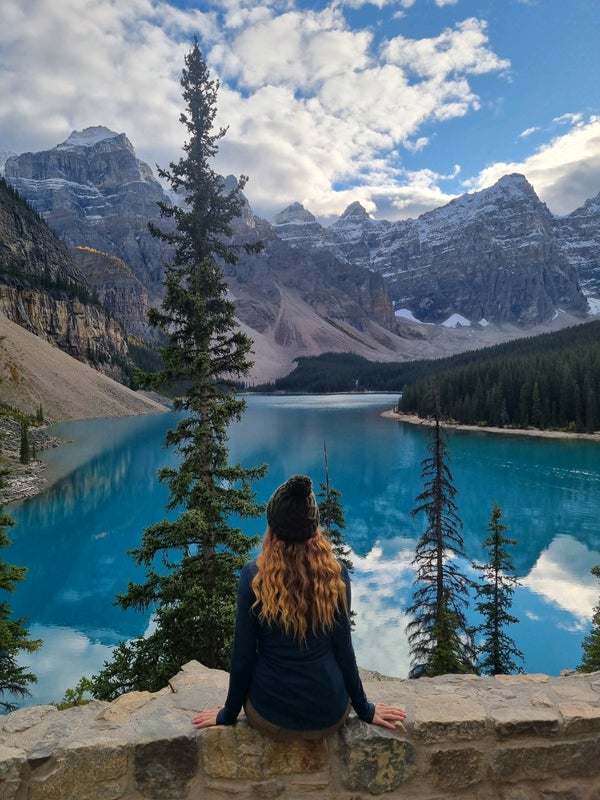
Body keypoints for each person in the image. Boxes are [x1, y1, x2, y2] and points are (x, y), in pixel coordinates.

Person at [192, 474, 406, 739]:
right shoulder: (335, 574)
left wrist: (228, 714)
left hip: (270, 716)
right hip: (328, 715)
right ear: (314, 527)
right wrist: (364, 709)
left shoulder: (254, 576)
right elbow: (343, 651)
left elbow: (243, 657)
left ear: (272, 526)